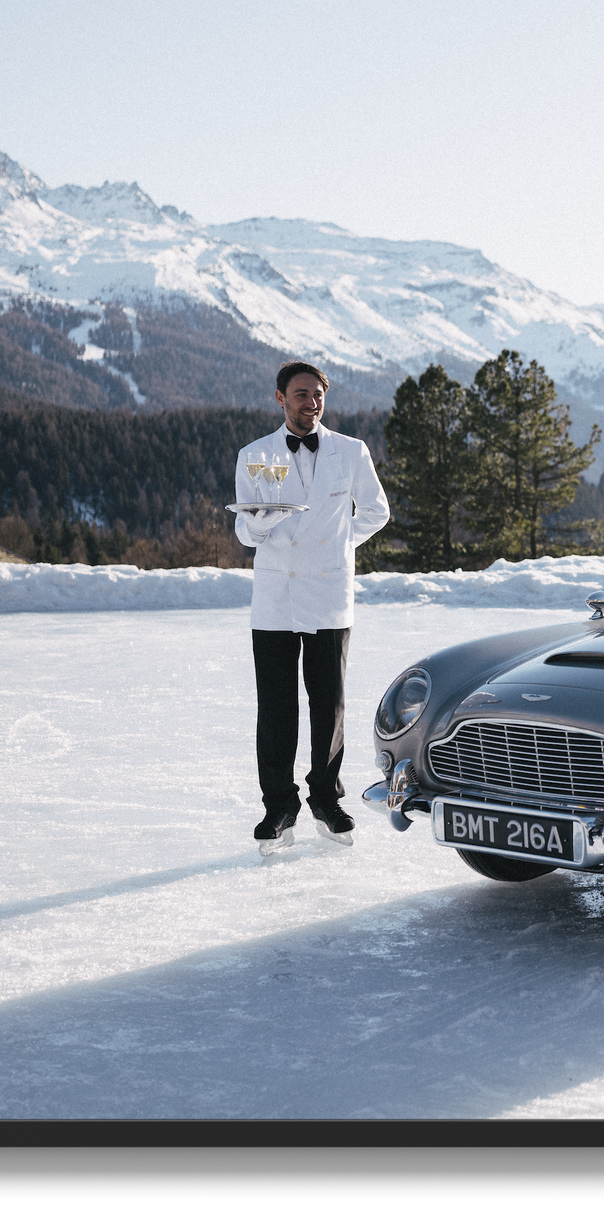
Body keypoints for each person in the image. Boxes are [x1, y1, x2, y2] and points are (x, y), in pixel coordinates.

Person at [234, 362, 390, 857]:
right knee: (276, 708)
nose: (311, 403)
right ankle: (278, 806)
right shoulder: (254, 455)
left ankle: (326, 796)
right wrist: (258, 524)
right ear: (280, 399)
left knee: (329, 705)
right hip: (277, 596)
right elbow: (243, 532)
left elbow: (376, 511)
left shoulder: (351, 451)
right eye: (301, 394)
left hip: (328, 592)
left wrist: (340, 548)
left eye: (318, 395)